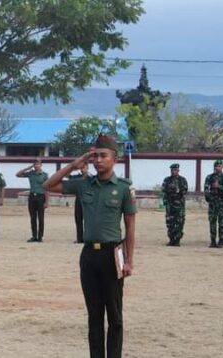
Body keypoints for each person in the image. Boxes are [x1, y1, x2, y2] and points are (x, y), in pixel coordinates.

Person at [43, 134, 136, 358]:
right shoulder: (84, 185)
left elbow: (130, 228)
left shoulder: (124, 188)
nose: (98, 161)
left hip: (112, 256)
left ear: (115, 159)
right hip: (89, 257)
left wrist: (129, 261)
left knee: (114, 316)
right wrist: (74, 165)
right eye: (95, 157)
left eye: (103, 156)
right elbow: (48, 184)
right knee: (94, 316)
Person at [16, 159, 49, 242]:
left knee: (40, 218)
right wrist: (28, 168)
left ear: (41, 165)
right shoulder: (31, 174)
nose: (36, 165)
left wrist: (47, 201)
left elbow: (47, 189)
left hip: (41, 197)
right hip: (32, 197)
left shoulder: (44, 175)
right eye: (34, 164)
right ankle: (34, 236)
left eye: (38, 164)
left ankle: (40, 236)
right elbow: (18, 174)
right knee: (33, 218)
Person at [161, 163, 188, 246]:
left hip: (179, 204)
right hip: (170, 204)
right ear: (171, 170)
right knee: (170, 222)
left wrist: (177, 190)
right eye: (173, 170)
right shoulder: (167, 180)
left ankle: (177, 240)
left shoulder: (182, 180)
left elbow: (185, 190)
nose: (174, 171)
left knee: (179, 222)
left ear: (178, 171)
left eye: (176, 170)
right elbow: (163, 189)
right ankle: (171, 239)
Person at [68, 163, 92, 244]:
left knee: (88, 220)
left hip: (88, 201)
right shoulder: (77, 177)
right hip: (78, 200)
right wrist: (73, 168)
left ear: (87, 168)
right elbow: (66, 175)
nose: (82, 169)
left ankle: (88, 238)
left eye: (84, 167)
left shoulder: (91, 178)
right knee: (78, 219)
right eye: (81, 168)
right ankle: (79, 238)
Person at [204, 160, 223, 248]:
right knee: (212, 222)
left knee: (222, 222)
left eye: (219, 166)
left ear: (222, 167)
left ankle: (221, 241)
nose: (218, 168)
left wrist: (219, 186)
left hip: (222, 203)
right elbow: (206, 189)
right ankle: (213, 240)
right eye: (216, 166)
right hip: (213, 202)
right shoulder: (209, 177)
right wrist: (209, 198)